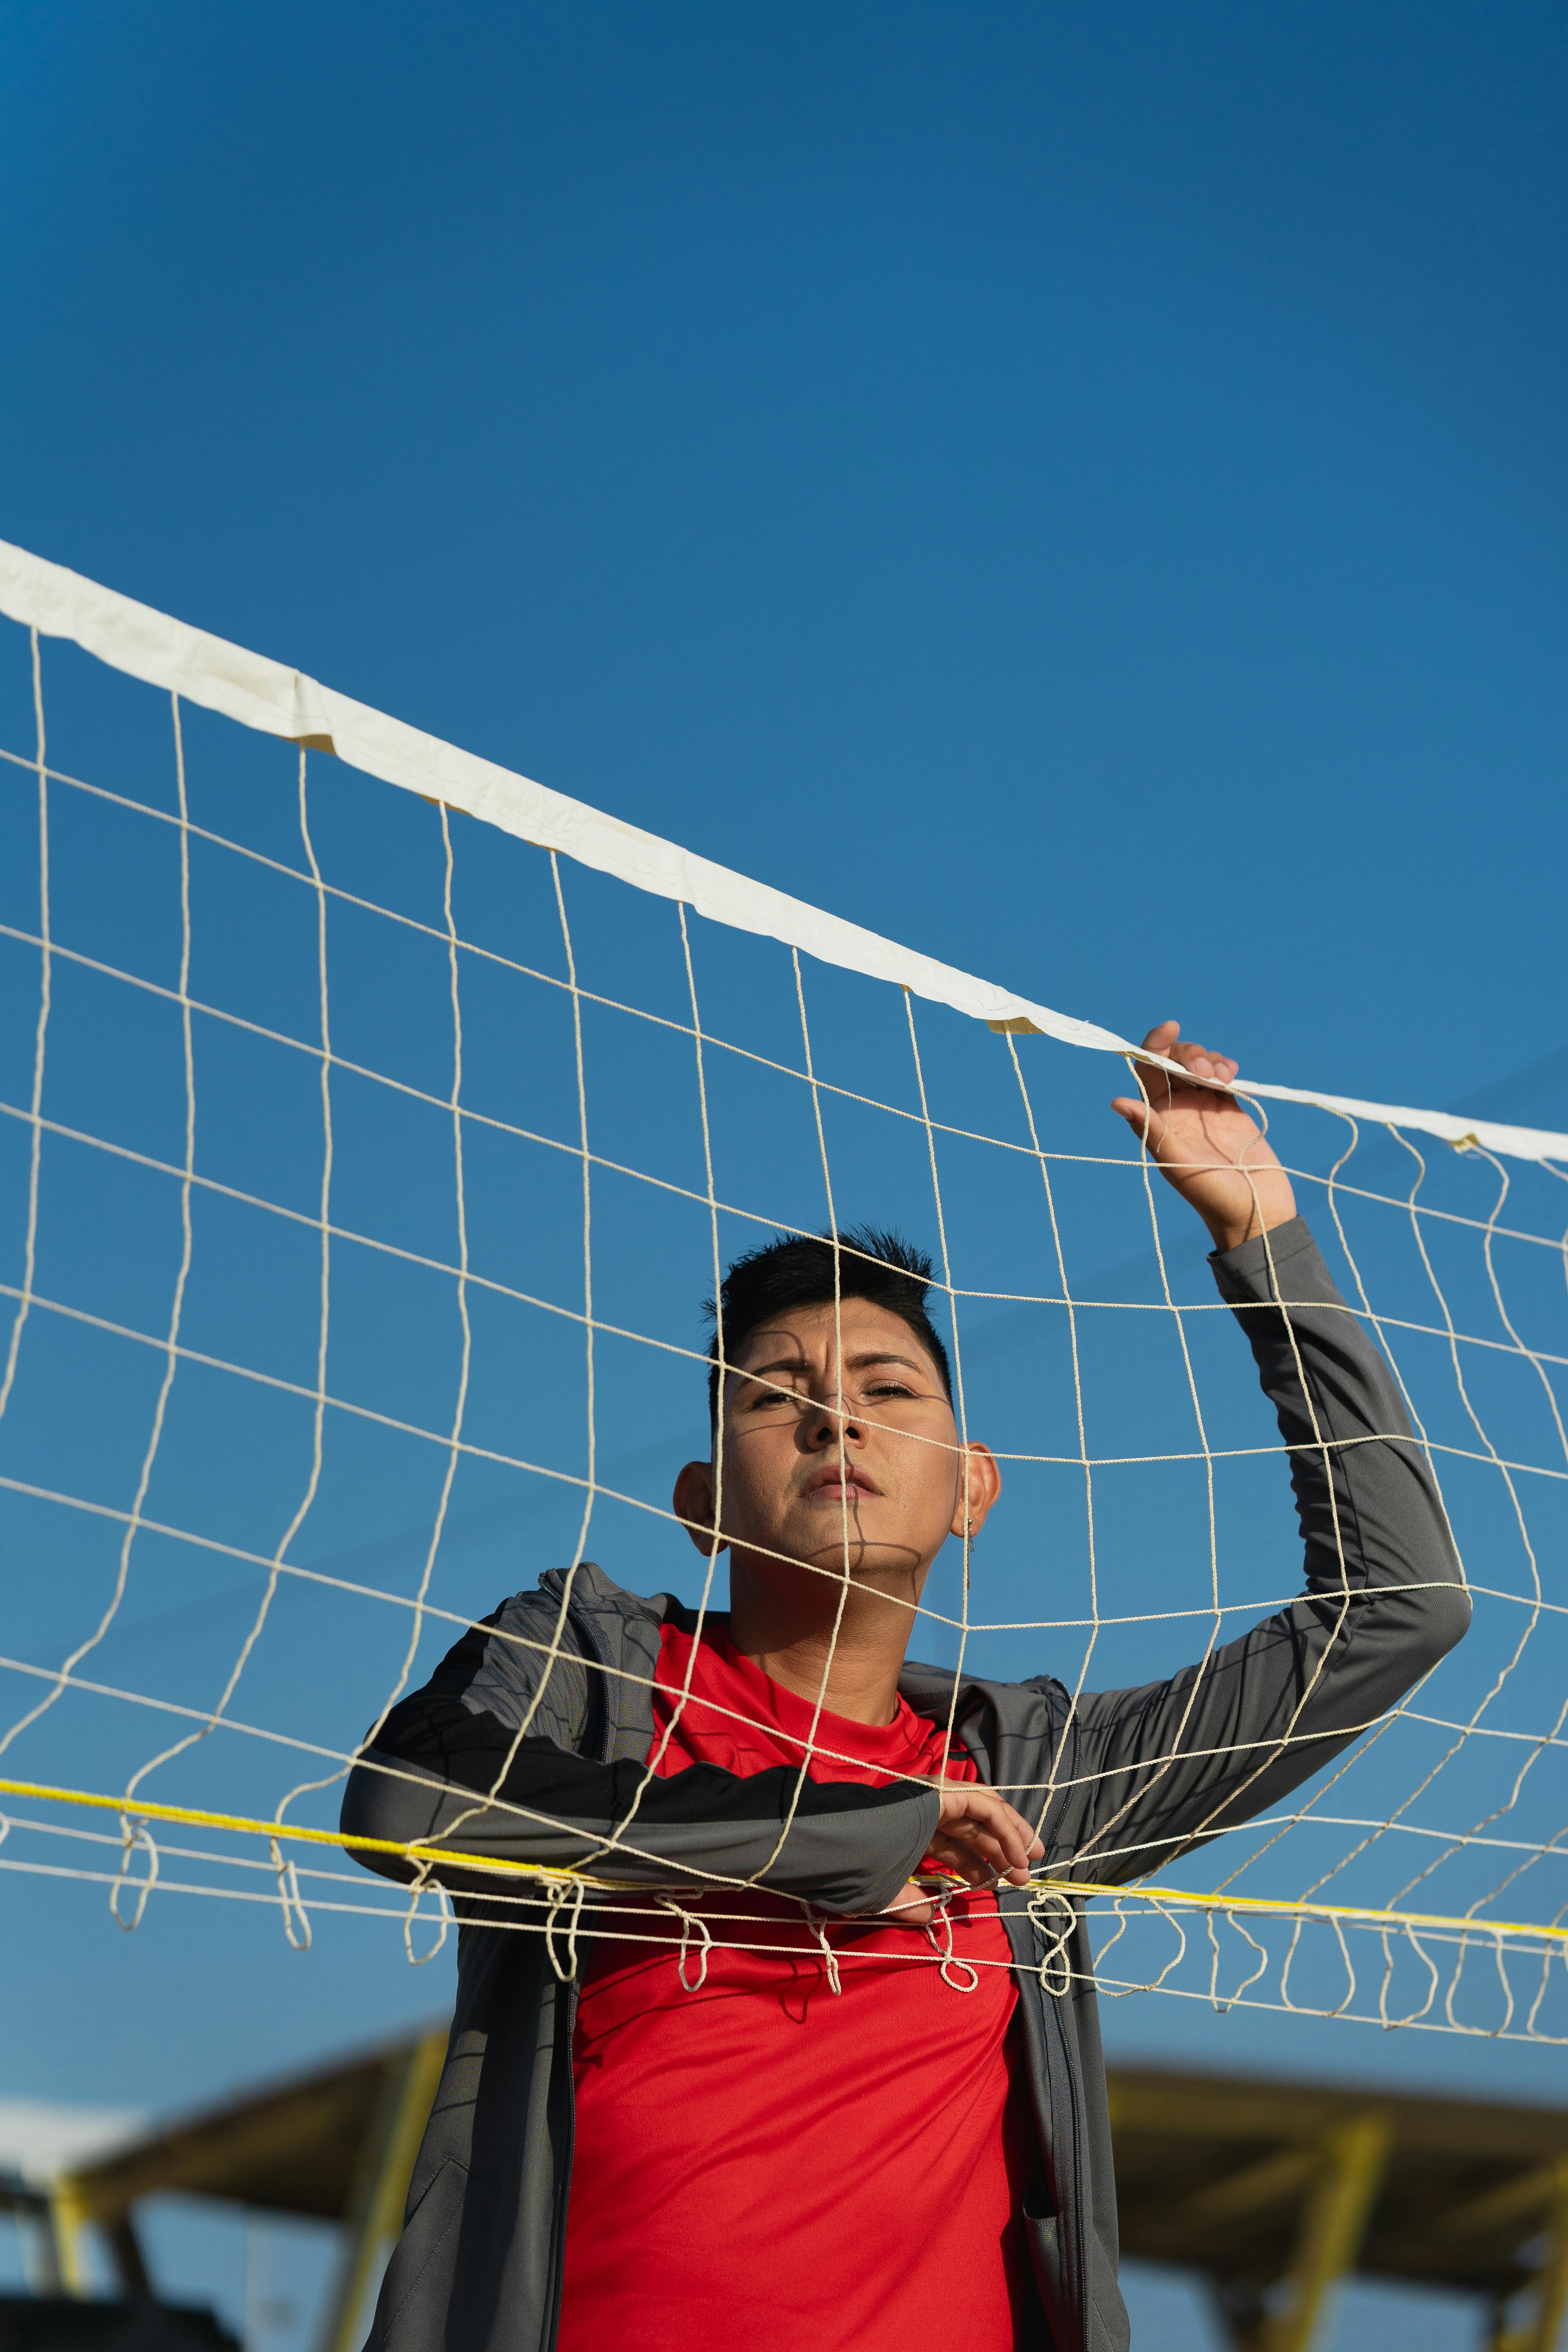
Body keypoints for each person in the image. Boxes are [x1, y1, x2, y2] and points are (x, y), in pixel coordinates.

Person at [343, 1022, 1467, 2352]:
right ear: (702, 1506)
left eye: (888, 1388)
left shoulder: (1039, 1778)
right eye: (778, 1397)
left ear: (973, 1486)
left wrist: (1264, 1236)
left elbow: (1402, 1608)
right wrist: (857, 1834)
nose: (837, 1419)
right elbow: (406, 1804)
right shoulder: (593, 1662)